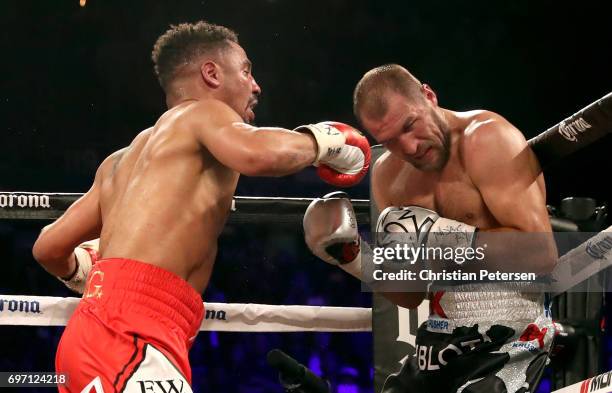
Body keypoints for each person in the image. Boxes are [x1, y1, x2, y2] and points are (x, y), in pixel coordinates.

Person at [32, 21, 369, 393]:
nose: (256, 85)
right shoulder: (203, 113)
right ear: (211, 73)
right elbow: (259, 154)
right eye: (246, 71)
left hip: (108, 333)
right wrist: (328, 141)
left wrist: (84, 273)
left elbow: (49, 248)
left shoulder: (119, 162)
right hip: (129, 335)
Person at [303, 64, 558, 392]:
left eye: (410, 125)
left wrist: (439, 237)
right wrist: (353, 257)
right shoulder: (389, 176)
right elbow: (410, 293)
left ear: (428, 96)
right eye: (391, 141)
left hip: (512, 330)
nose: (409, 147)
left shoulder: (487, 138)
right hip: (440, 337)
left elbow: (541, 254)